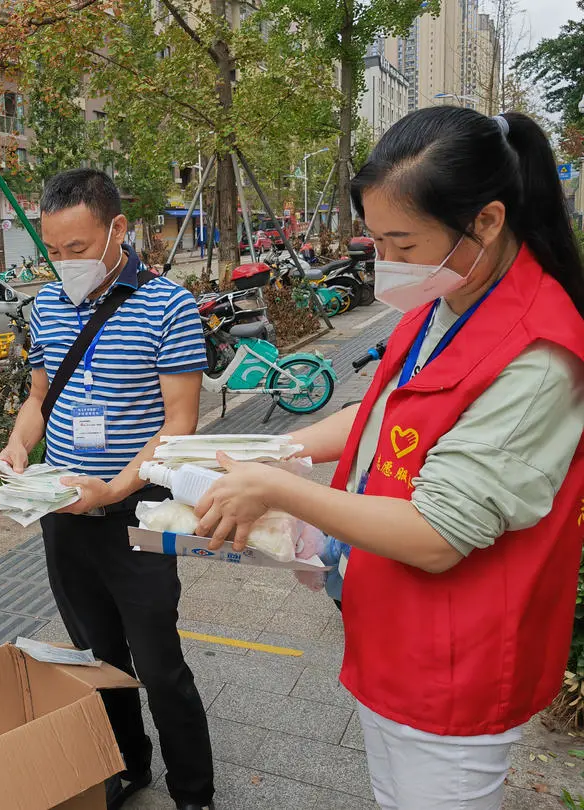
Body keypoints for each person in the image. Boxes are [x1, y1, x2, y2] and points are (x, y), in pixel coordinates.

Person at [192, 107, 584, 810]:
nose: (388, 265)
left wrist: (276, 490)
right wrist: (266, 450)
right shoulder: (449, 296)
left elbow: (437, 536)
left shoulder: (538, 356)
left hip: (456, 660)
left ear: (487, 222)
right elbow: (379, 416)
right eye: (375, 239)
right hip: (390, 626)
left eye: (402, 242)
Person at [0, 169, 215, 810]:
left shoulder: (168, 306)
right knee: (95, 657)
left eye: (78, 248)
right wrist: (19, 444)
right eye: (53, 251)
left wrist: (114, 489)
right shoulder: (47, 306)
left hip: (139, 510)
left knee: (158, 662)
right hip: (64, 511)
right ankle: (126, 766)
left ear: (118, 229)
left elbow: (180, 423)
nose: (65, 264)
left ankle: (194, 793)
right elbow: (39, 396)